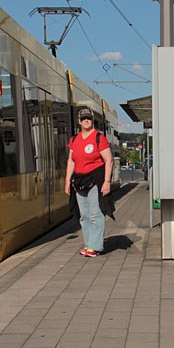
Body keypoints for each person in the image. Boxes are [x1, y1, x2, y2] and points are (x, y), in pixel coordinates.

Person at [65, 108, 114, 258]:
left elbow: (109, 160)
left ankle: (95, 246)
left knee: (95, 214)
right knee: (84, 215)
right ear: (79, 121)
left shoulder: (99, 138)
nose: (86, 121)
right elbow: (71, 161)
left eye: (89, 118)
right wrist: (67, 180)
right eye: (84, 118)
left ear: (93, 121)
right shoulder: (74, 140)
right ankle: (89, 244)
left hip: (95, 181)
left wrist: (106, 181)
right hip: (79, 182)